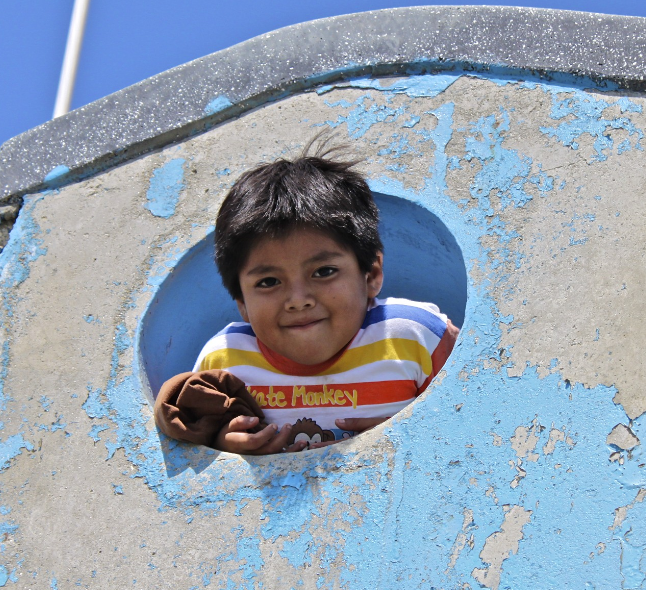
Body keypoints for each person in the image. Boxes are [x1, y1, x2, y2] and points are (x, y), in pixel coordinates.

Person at [182, 142, 458, 454]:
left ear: (371, 275)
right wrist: (221, 444)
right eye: (269, 281)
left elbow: (481, 409)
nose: (298, 300)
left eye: (324, 272)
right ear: (241, 302)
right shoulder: (223, 360)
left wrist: (413, 433)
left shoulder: (417, 337)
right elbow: (192, 440)